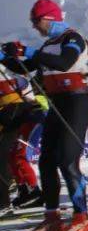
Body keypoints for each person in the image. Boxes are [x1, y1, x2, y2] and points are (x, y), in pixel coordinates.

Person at [2, 0, 88, 231]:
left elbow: (64, 62)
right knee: (46, 162)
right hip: (58, 104)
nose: (34, 26)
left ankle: (81, 218)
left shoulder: (71, 38)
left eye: (36, 21)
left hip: (76, 103)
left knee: (67, 160)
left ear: (49, 18)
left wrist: (29, 52)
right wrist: (6, 54)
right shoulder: (48, 45)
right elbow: (25, 68)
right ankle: (52, 217)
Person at [0, 70, 44, 213]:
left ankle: (34, 191)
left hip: (29, 116)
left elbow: (24, 85)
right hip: (18, 117)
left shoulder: (7, 71)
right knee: (12, 156)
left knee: (20, 155)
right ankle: (24, 189)